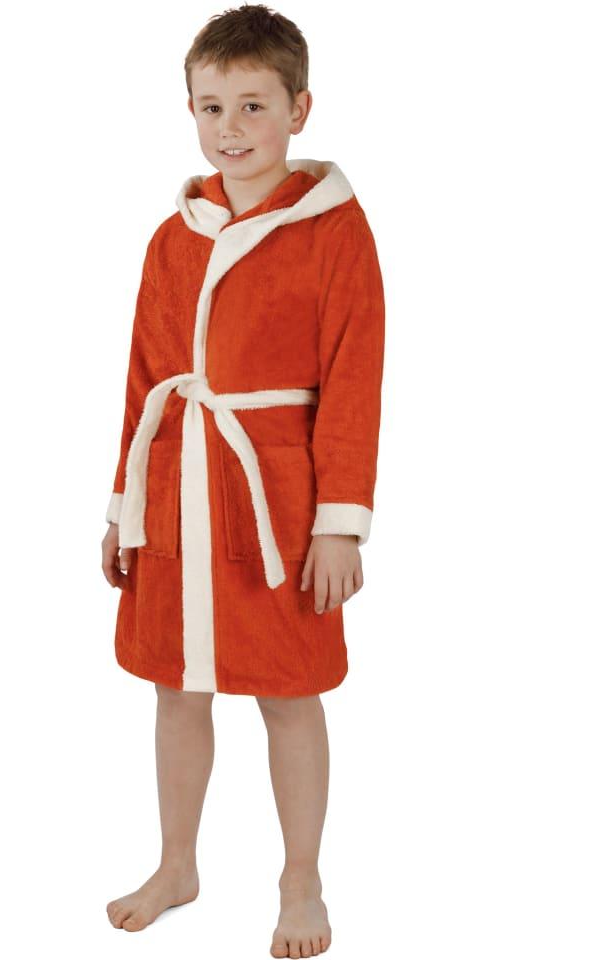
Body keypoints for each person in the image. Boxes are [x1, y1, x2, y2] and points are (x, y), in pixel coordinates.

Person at [101, 4, 385, 956]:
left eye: (254, 105)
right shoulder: (171, 237)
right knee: (175, 689)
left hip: (278, 503)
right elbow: (145, 380)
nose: (231, 128)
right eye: (212, 106)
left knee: (289, 691)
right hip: (177, 490)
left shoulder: (335, 231)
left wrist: (340, 522)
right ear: (189, 110)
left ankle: (301, 877)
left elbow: (354, 379)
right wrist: (124, 508)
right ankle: (177, 862)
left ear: (300, 109)